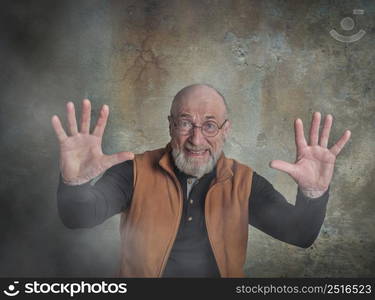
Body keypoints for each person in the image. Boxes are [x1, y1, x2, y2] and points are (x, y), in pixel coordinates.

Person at [51, 84, 351, 277]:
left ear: (225, 130)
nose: (196, 139)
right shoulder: (134, 171)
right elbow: (78, 216)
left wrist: (313, 193)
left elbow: (299, 234)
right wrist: (74, 183)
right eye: (185, 123)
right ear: (170, 126)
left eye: (209, 125)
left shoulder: (244, 182)